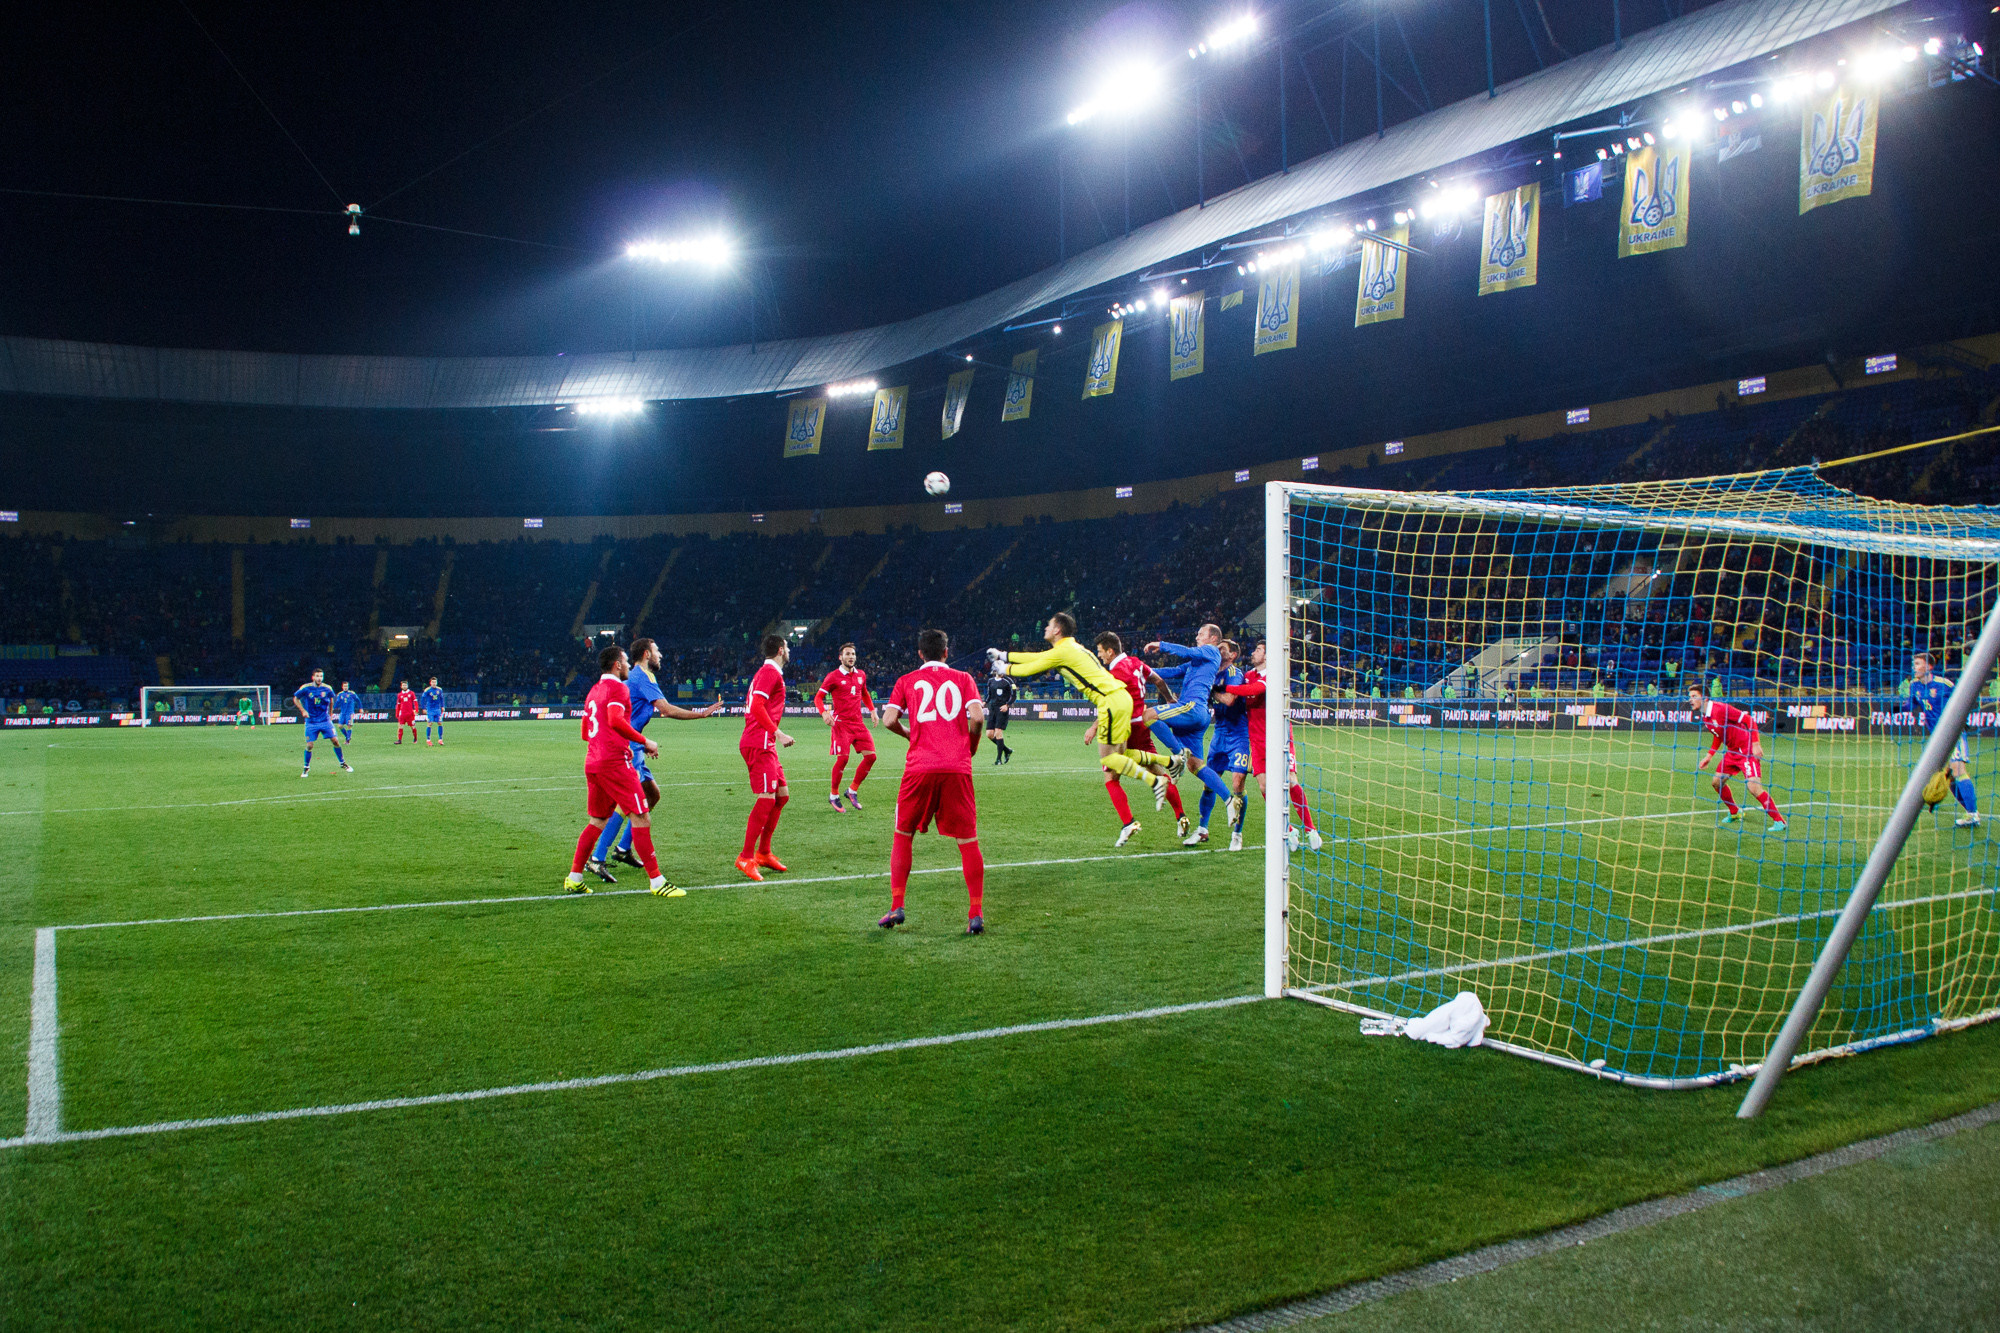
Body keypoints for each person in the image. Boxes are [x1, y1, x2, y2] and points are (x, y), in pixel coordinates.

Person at [988, 612, 1168, 847]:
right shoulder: (1072, 647)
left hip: (1110, 702)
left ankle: (1157, 779)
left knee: (1111, 761)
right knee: (1111, 771)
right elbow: (1038, 657)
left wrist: (1006, 669)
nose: (1045, 628)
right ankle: (1128, 821)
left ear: (1057, 631)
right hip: (1120, 699)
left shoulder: (1063, 651)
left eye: (1049, 625)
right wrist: (1004, 655)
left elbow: (1034, 666)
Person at [878, 629, 987, 934]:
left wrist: (910, 735)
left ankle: (897, 905)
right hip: (957, 767)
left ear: (920, 654)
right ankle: (975, 913)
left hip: (919, 768)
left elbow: (887, 720)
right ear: (946, 652)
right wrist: (971, 746)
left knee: (903, 833)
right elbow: (977, 718)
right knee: (967, 840)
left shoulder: (907, 681)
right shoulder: (964, 678)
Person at [587, 638, 724, 881]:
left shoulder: (638, 677)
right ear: (647, 654)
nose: (661, 655)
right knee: (627, 803)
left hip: (634, 745)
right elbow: (666, 709)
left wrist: (642, 742)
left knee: (652, 795)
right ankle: (597, 858)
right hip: (625, 748)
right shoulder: (642, 676)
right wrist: (701, 713)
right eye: (657, 650)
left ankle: (622, 849)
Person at [563, 645, 678, 896]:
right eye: (625, 661)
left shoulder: (593, 691)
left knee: (598, 820)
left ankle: (574, 876)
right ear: (617, 664)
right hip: (614, 762)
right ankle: (657, 882)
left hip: (592, 762)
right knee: (640, 816)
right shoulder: (617, 688)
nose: (628, 665)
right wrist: (644, 741)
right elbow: (615, 720)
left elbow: (586, 733)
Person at [1218, 641, 1323, 852]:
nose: (1254, 652)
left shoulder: (1274, 674)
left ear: (1267, 656)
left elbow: (1252, 690)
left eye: (1258, 650)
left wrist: (1223, 687)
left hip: (1279, 737)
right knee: (1265, 786)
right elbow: (1242, 688)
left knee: (1290, 781)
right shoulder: (1247, 675)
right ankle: (1289, 828)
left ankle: (1311, 829)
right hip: (1256, 740)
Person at [1145, 626, 1246, 828]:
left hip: (1192, 707)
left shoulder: (1211, 650)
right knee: (1196, 766)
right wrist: (1142, 670)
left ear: (1213, 638)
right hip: (1198, 715)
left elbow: (1187, 651)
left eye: (1201, 634)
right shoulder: (1198, 661)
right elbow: (1173, 671)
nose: (1197, 636)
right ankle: (1229, 800)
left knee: (1148, 715)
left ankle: (1178, 754)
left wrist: (1162, 644)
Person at [1096, 632, 1187, 840]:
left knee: (1111, 777)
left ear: (1110, 651)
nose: (1100, 656)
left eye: (1101, 652)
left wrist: (1094, 727)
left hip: (1124, 729)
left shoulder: (1117, 672)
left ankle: (1128, 823)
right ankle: (1181, 816)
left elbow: (1111, 704)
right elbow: (1158, 679)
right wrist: (1169, 698)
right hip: (1141, 725)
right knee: (1159, 772)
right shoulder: (1136, 663)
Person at [738, 634, 796, 882]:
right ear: (781, 650)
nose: (790, 651)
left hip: (765, 742)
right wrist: (777, 732)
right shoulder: (769, 672)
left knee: (781, 797)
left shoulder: (770, 673)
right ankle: (745, 857)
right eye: (788, 647)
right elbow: (756, 706)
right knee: (766, 799)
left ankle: (763, 852)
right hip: (759, 741)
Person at [1690, 685, 1787, 831]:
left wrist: (1755, 744)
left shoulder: (1721, 708)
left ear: (1705, 698)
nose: (1690, 700)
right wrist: (1709, 756)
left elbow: (1750, 720)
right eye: (1690, 697)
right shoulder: (1705, 716)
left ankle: (1780, 821)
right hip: (1732, 752)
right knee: (1717, 782)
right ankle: (1735, 812)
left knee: (1753, 787)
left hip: (1747, 750)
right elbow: (1718, 736)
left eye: (1694, 696)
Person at [1911, 651, 1981, 828]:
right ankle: (1971, 812)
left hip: (1952, 733)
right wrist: (1893, 710)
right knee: (1947, 778)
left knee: (1958, 769)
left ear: (1929, 666)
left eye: (1918, 664)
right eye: (1914, 664)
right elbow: (1910, 705)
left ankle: (1972, 814)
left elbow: (1965, 699)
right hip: (1937, 739)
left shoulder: (1944, 684)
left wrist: (1963, 719)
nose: (1915, 667)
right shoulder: (1914, 686)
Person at [812, 642, 880, 812]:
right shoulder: (833, 676)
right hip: (841, 724)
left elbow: (864, 692)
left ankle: (852, 790)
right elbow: (818, 698)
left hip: (858, 723)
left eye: (853, 654)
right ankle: (833, 795)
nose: (851, 657)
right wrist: (824, 713)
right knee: (843, 759)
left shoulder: (861, 675)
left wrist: (872, 710)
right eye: (847, 654)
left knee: (871, 757)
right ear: (840, 657)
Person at [1206, 639, 1254, 851]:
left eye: (1222, 648)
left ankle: (1237, 834)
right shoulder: (1213, 673)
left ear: (1232, 654)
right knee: (1208, 781)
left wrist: (1211, 691)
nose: (1218, 650)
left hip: (1238, 734)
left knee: (1237, 784)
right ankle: (1202, 828)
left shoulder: (1235, 673)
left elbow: (1229, 700)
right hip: (1219, 733)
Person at [291, 669, 352, 778]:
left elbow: (332, 700)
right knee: (309, 745)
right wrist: (303, 711)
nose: (319, 678)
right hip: (311, 721)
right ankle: (306, 767)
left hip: (325, 720)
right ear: (313, 677)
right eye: (317, 676)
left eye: (321, 676)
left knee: (335, 741)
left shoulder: (327, 688)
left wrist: (331, 713)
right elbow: (296, 699)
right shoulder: (306, 688)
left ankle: (342, 763)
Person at [983, 668, 1017, 764]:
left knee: (998, 732)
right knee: (989, 734)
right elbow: (989, 695)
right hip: (992, 709)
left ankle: (998, 759)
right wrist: (985, 702)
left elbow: (1013, 695)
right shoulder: (991, 681)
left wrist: (1007, 705)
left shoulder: (1008, 681)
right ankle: (1007, 750)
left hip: (1002, 709)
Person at [420, 677, 446, 745]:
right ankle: (428, 740)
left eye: (435, 682)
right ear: (430, 683)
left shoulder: (439, 689)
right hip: (430, 709)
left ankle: (440, 739)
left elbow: (441, 698)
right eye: (433, 682)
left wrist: (442, 706)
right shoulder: (427, 690)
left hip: (437, 709)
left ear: (436, 683)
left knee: (440, 722)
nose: (434, 683)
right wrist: (423, 708)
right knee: (430, 723)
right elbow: (423, 699)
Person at [394, 680, 419, 745]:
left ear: (407, 686)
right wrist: (397, 713)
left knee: (413, 726)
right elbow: (398, 705)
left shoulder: (411, 693)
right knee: (400, 726)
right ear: (401, 686)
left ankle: (415, 739)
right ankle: (399, 740)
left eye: (405, 685)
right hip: (403, 714)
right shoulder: (399, 695)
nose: (404, 686)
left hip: (410, 713)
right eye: (403, 685)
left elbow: (415, 702)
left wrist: (416, 710)